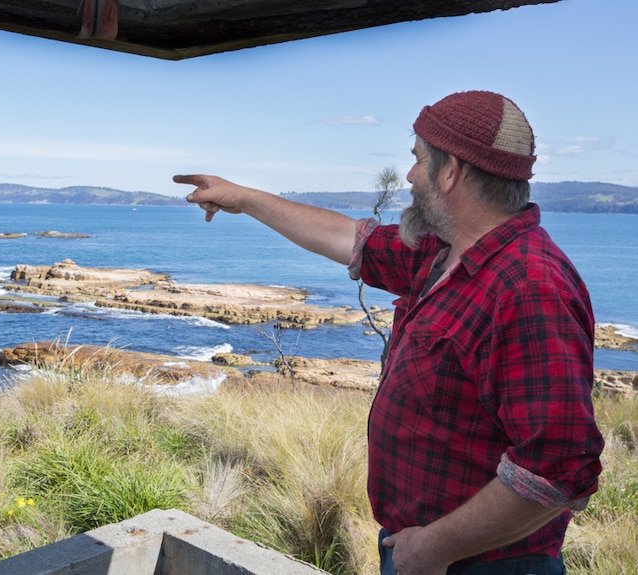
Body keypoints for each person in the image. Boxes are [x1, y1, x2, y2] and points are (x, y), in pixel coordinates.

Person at [174, 90, 604, 575]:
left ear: (450, 172)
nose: (410, 176)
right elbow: (349, 239)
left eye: (418, 160)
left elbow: (560, 466)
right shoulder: (445, 254)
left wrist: (437, 547)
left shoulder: (528, 286)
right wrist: (244, 198)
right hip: (424, 550)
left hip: (481, 563)